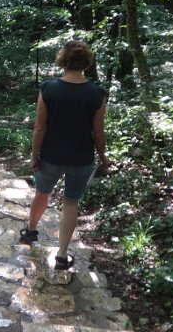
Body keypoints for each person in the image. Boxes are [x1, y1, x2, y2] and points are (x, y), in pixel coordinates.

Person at [19, 40, 111, 271]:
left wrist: (34, 155)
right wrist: (103, 158)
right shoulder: (97, 93)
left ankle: (30, 231)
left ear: (63, 61)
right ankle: (61, 256)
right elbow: (98, 133)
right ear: (86, 63)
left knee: (42, 193)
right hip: (81, 159)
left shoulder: (48, 89)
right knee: (71, 202)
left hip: (50, 155)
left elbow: (40, 127)